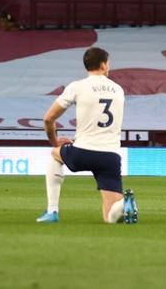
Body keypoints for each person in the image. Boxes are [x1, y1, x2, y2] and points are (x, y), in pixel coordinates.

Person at [37, 46, 135, 225]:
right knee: (109, 216)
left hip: (83, 151)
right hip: (110, 156)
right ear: (104, 65)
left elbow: (48, 119)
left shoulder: (77, 87)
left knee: (55, 155)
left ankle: (52, 211)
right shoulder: (118, 90)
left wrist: (55, 143)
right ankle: (122, 206)